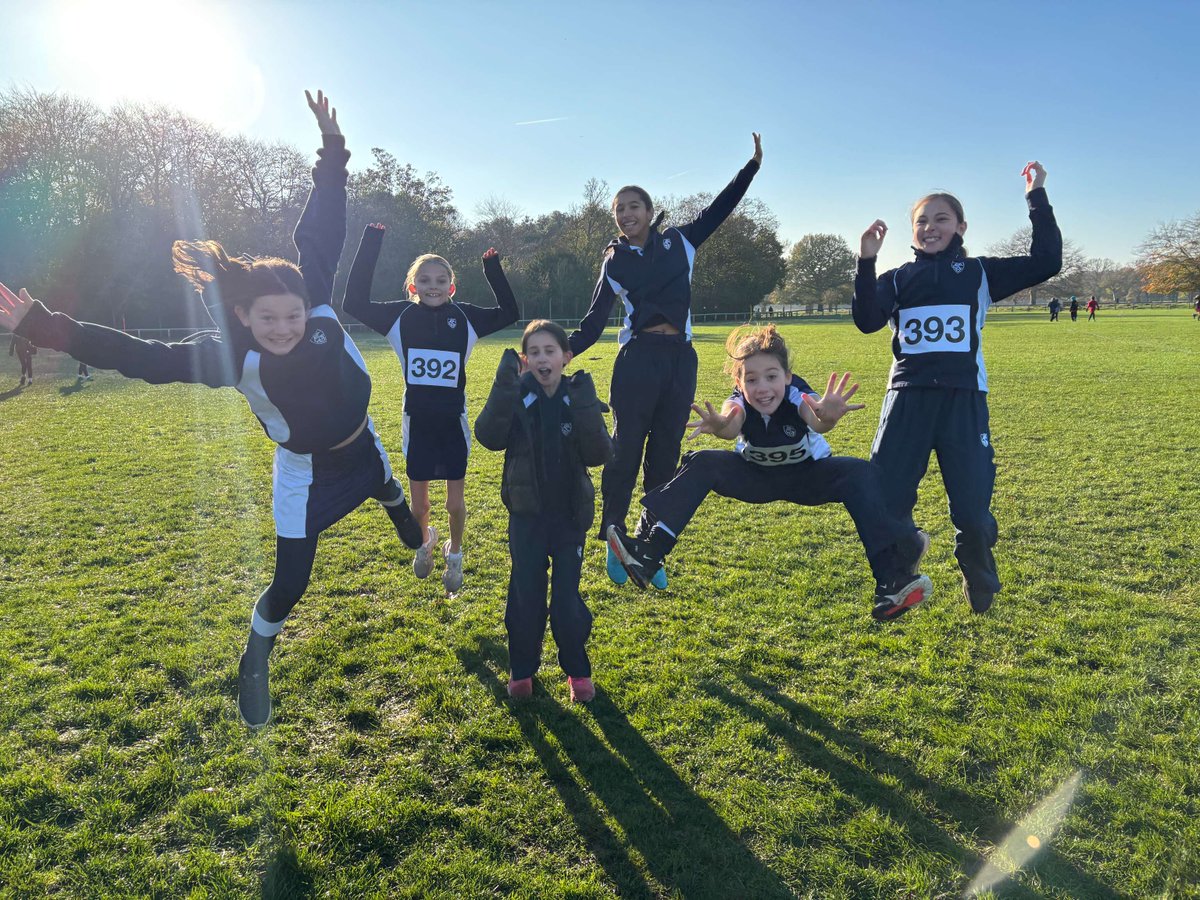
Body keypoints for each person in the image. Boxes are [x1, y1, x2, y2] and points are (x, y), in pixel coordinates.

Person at [0, 91, 423, 729]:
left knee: (388, 486)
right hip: (305, 474)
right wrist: (45, 325)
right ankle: (255, 660)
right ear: (243, 316)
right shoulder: (234, 360)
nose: (284, 327)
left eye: (292, 315)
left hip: (362, 441)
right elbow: (139, 355)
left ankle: (412, 534)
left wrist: (333, 151)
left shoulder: (318, 306)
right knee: (291, 585)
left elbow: (322, 229)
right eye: (267, 318)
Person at [608, 324, 933, 621]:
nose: (762, 388)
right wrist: (719, 425)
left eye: (771, 376)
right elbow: (731, 423)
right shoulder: (738, 400)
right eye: (751, 380)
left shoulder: (796, 393)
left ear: (787, 376)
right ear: (740, 383)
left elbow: (815, 417)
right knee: (701, 462)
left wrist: (828, 416)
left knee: (860, 473)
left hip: (808, 477)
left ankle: (893, 578)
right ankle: (650, 553)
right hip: (757, 478)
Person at [852, 162, 1062, 613]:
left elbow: (1048, 261)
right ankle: (900, 574)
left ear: (961, 226)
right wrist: (866, 262)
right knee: (885, 498)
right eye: (921, 221)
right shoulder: (896, 279)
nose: (930, 227)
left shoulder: (980, 273)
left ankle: (977, 567)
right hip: (906, 399)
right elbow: (867, 320)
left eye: (941, 218)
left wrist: (1036, 196)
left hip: (963, 400)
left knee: (971, 506)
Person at [569, 134, 764, 589]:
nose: (626, 213)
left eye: (633, 206)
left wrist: (751, 168)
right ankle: (614, 534)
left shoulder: (681, 242)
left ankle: (648, 544)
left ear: (649, 211)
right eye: (619, 209)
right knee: (625, 448)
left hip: (680, 359)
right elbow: (595, 319)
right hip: (637, 359)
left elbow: (720, 209)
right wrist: (562, 352)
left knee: (665, 454)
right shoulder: (614, 261)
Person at [343, 226, 519, 594]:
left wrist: (492, 269)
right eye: (424, 280)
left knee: (455, 503)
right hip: (418, 423)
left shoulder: (466, 318)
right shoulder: (400, 318)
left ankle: (455, 552)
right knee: (419, 506)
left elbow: (510, 312)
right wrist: (370, 244)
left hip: (453, 424)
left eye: (441, 280)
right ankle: (425, 543)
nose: (433, 286)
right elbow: (354, 302)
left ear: (452, 287)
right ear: (413, 286)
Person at [474, 320, 612, 700]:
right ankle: (522, 670)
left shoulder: (576, 394)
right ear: (524, 359)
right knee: (526, 595)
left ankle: (577, 670)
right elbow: (488, 436)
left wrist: (586, 406)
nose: (542, 359)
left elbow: (600, 453)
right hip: (526, 518)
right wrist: (505, 385)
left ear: (566, 357)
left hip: (569, 519)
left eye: (549, 351)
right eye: (533, 352)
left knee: (566, 601)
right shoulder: (517, 394)